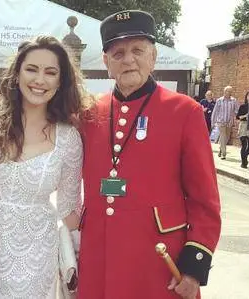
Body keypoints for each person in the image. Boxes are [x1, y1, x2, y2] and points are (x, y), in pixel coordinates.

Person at [78, 10, 221, 299]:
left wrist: (194, 266)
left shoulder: (185, 111)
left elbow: (205, 199)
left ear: (153, 57)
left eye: (137, 51)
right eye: (118, 53)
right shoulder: (90, 112)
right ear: (106, 63)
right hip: (99, 255)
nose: (128, 59)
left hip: (158, 259)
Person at [0, 36, 87, 298]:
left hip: (37, 260)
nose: (39, 80)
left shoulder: (68, 138)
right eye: (32, 69)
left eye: (50, 72)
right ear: (17, 73)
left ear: (61, 80)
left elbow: (69, 210)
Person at [211, 85, 239, 159]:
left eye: (230, 91)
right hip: (221, 122)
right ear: (224, 91)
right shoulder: (219, 100)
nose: (228, 93)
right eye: (227, 91)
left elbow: (237, 110)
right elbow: (215, 111)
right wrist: (213, 122)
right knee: (223, 136)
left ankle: (221, 148)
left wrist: (235, 116)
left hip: (229, 122)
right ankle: (224, 154)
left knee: (227, 137)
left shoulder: (234, 100)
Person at [236, 91, 249, 168]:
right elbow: (238, 117)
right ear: (246, 96)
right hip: (243, 125)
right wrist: (246, 115)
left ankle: (244, 158)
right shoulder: (243, 106)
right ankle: (244, 163)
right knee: (244, 145)